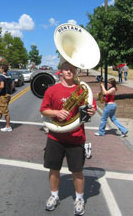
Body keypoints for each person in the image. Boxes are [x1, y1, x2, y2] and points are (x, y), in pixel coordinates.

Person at [40, 61, 97, 215]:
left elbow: (91, 107)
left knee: (77, 171)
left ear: (75, 71)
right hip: (55, 136)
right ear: (61, 71)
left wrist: (91, 111)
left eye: (72, 69)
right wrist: (56, 113)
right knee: (54, 169)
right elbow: (44, 110)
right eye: (66, 68)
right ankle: (54, 196)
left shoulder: (82, 90)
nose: (69, 71)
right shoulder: (52, 90)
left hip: (76, 137)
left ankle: (79, 199)